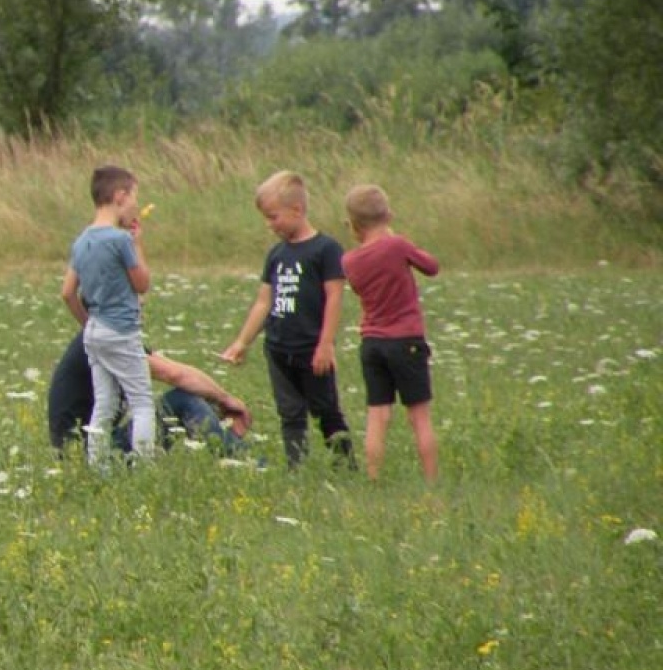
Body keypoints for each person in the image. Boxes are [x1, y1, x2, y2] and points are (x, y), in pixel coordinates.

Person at [220, 170, 355, 468]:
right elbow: (263, 301)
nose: (269, 225)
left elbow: (334, 297)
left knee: (326, 409)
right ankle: (297, 467)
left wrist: (326, 344)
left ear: (296, 210)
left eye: (273, 217)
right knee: (290, 412)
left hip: (312, 348)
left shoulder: (326, 249)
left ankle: (345, 463)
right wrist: (242, 342)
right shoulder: (277, 254)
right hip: (279, 348)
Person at [342, 184, 440, 482]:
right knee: (419, 416)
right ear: (389, 215)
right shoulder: (397, 246)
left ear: (353, 225)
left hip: (372, 343)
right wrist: (393, 237)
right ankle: (432, 480)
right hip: (405, 340)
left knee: (377, 415)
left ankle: (373, 477)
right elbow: (431, 266)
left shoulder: (349, 261)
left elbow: (360, 287)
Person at [61, 165, 155, 466]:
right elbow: (142, 284)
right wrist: (138, 243)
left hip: (95, 332)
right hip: (121, 331)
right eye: (133, 199)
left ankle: (97, 465)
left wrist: (88, 323)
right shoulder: (120, 241)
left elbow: (67, 293)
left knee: (104, 404)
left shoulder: (82, 240)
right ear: (119, 196)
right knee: (142, 403)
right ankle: (143, 466)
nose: (135, 207)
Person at [48, 331, 254, 459]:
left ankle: (232, 449)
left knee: (188, 398)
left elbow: (171, 366)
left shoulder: (99, 335)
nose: (142, 302)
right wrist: (226, 399)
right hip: (85, 454)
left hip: (82, 450)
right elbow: (174, 375)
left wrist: (218, 399)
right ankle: (243, 460)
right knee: (183, 400)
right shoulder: (108, 341)